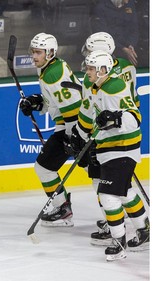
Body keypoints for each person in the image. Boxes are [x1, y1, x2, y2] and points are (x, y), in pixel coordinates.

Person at [71, 50, 149, 261]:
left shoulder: (115, 87)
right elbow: (88, 115)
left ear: (103, 70)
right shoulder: (96, 88)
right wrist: (78, 135)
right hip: (107, 146)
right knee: (124, 192)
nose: (87, 73)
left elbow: (134, 118)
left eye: (90, 69)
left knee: (107, 194)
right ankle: (144, 230)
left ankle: (119, 241)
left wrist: (116, 118)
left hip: (123, 146)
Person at [19, 32, 82, 227]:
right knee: (45, 168)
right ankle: (63, 208)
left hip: (76, 125)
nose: (34, 56)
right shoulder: (49, 68)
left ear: (50, 53)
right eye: (33, 52)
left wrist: (74, 135)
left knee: (100, 174)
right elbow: (54, 101)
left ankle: (121, 218)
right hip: (73, 124)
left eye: (38, 52)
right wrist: (37, 103)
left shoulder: (53, 73)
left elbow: (72, 106)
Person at [90, 0, 139, 66]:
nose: (127, 2)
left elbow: (134, 28)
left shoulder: (130, 4)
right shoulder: (100, 8)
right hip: (109, 51)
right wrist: (122, 49)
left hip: (130, 48)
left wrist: (131, 45)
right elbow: (102, 35)